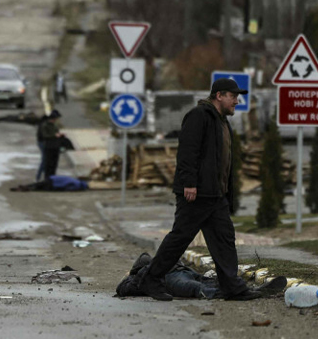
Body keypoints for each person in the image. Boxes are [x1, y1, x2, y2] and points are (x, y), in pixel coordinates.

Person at [140, 78, 253, 301]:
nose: (237, 101)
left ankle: (232, 287)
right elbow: (187, 152)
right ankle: (151, 279)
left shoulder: (221, 121)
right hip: (197, 193)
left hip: (215, 194)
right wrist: (188, 183)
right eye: (233, 96)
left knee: (224, 239)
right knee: (180, 239)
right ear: (219, 95)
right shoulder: (199, 115)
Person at [115, 252, 284, 300]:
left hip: (184, 272)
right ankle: (228, 292)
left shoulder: (154, 264)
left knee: (212, 281)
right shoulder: (138, 278)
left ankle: (248, 289)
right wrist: (137, 277)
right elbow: (122, 288)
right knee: (199, 289)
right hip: (172, 280)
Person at [35, 110, 66, 182]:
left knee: (51, 162)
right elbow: (44, 135)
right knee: (45, 161)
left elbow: (55, 132)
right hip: (45, 143)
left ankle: (49, 177)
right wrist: (55, 135)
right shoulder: (45, 124)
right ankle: (39, 177)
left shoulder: (53, 124)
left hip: (52, 144)